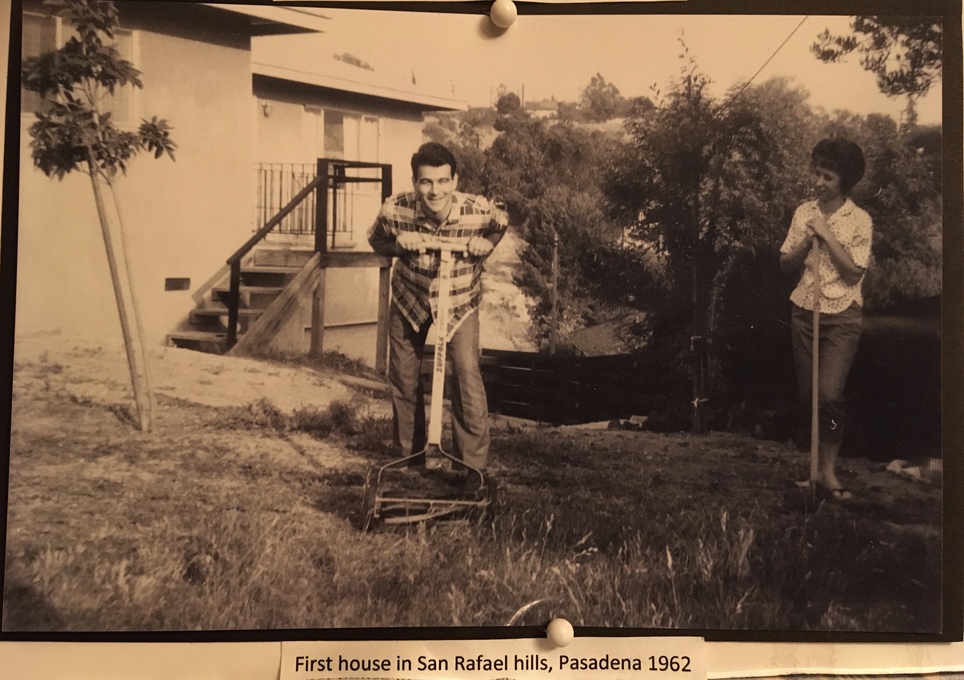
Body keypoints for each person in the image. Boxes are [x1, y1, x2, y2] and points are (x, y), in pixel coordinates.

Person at [368, 142, 507, 487]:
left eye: (443, 181)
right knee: (403, 375)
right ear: (414, 183)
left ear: (455, 180)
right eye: (426, 182)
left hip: (459, 298)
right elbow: (376, 241)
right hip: (409, 297)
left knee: (465, 373)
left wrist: (486, 243)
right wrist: (400, 245)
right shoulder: (395, 211)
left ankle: (470, 467)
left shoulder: (476, 210)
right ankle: (408, 459)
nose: (435, 191)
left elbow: (501, 223)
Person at [779, 137, 872, 500]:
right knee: (810, 398)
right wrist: (807, 239)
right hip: (804, 310)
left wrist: (827, 234)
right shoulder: (803, 213)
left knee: (829, 395)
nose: (818, 182)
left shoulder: (860, 220)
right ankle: (813, 474)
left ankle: (829, 473)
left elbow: (852, 272)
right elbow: (785, 264)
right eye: (817, 173)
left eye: (828, 176)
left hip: (842, 315)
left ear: (844, 182)